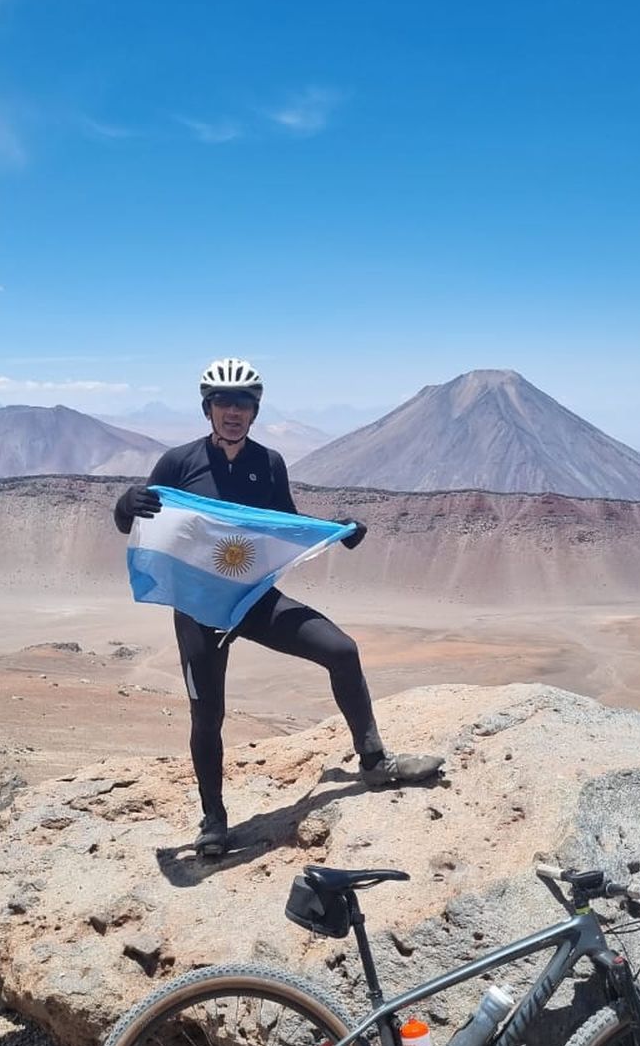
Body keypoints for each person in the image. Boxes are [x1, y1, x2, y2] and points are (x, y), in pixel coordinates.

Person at [114, 358, 443, 856]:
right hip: (201, 609)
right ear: (207, 409)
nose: (233, 412)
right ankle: (213, 820)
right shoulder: (179, 463)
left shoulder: (268, 464)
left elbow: (285, 525)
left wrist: (336, 531)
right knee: (207, 716)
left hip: (250, 597)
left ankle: (374, 762)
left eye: (243, 403)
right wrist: (126, 501)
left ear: (255, 410)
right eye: (223, 402)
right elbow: (131, 524)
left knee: (341, 649)